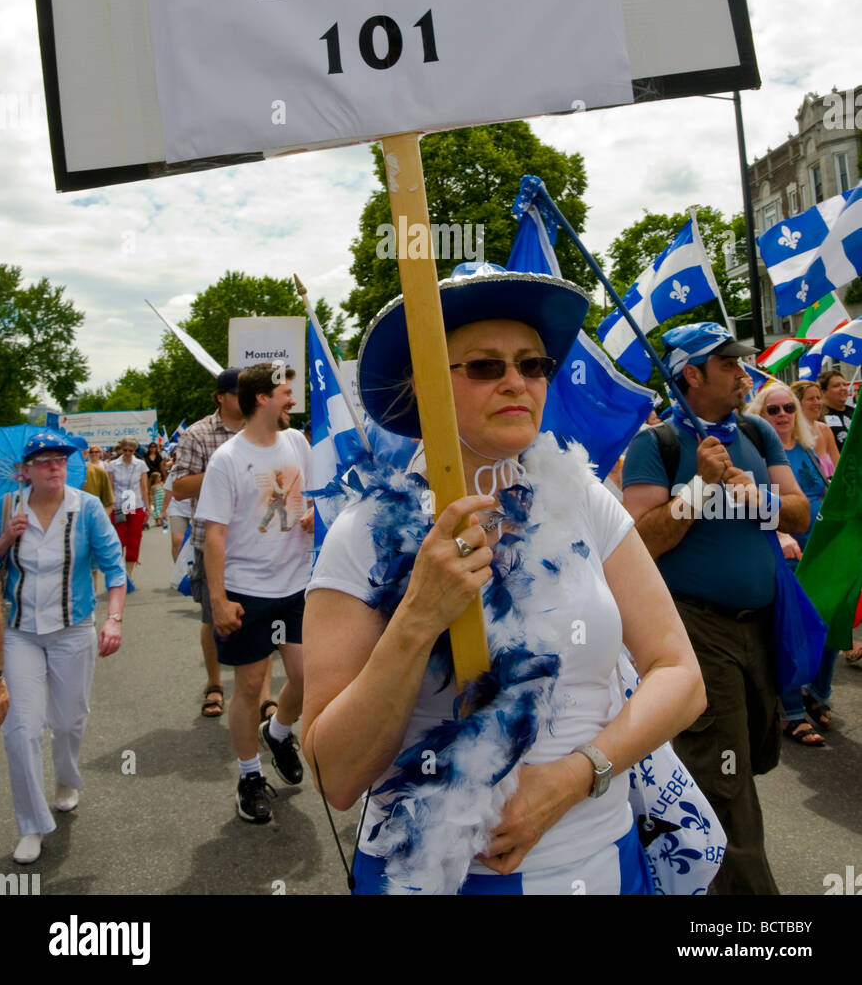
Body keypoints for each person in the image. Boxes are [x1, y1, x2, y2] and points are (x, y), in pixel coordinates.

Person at [302, 265, 705, 896]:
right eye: (486, 366)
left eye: (534, 364)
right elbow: (336, 775)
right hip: (447, 879)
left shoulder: (586, 500)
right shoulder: (362, 535)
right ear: (427, 384)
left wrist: (577, 775)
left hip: (606, 861)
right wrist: (418, 616)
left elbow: (680, 674)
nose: (517, 381)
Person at [622, 322, 809, 895]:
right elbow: (642, 540)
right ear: (691, 376)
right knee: (725, 783)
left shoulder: (754, 430)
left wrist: (763, 501)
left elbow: (801, 514)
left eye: (743, 362)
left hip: (762, 628)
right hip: (697, 629)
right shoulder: (657, 445)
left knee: (745, 764)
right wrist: (700, 488)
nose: (743, 373)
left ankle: (682, 868)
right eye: (728, 364)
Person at [0, 431, 126, 865]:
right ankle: (31, 824)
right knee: (22, 730)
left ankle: (67, 780)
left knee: (69, 722)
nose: (54, 466)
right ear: (26, 470)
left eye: (60, 460)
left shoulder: (87, 508)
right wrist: (5, 540)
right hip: (20, 634)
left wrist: (114, 618)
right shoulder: (8, 508)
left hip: (74, 629)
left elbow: (115, 569)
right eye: (44, 460)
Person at [198, 362, 313, 823]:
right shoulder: (227, 459)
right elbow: (214, 536)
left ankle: (279, 732)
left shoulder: (298, 443)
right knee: (248, 686)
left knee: (305, 678)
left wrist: (313, 515)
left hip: (297, 584)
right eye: (286, 391)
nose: (292, 399)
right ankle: (249, 776)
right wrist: (220, 600)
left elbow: (318, 495)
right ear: (263, 398)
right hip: (249, 590)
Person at [747, 382, 835, 746]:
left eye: (787, 408)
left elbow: (823, 493)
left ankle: (816, 692)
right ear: (761, 416)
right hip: (784, 553)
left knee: (829, 623)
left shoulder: (805, 447)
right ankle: (792, 712)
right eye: (773, 410)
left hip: (820, 550)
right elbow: (749, 502)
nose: (782, 415)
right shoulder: (756, 452)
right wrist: (780, 535)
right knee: (792, 630)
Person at [170, 369, 244, 718]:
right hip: (210, 541)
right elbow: (180, 487)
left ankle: (256, 696)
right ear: (220, 397)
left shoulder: (262, 429)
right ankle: (215, 685)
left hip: (257, 543)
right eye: (236, 393)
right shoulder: (198, 434)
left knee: (259, 616)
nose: (245, 398)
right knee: (214, 615)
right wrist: (224, 470)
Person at [104, 438, 149, 586]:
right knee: (118, 540)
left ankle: (128, 575)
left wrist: (147, 506)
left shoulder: (140, 464)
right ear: (121, 450)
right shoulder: (112, 465)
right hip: (118, 505)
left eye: (131, 451)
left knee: (134, 539)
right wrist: (108, 507)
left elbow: (144, 487)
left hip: (135, 505)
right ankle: (118, 572)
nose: (128, 453)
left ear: (135, 451)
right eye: (125, 450)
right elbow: (109, 487)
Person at [790, 380, 839, 477]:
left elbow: (839, 465)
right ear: (797, 403)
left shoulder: (824, 429)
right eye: (811, 399)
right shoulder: (791, 433)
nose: (817, 402)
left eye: (818, 398)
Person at [819, 370, 854, 452]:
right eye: (836, 386)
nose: (843, 388)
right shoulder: (819, 416)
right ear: (823, 391)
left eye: (844, 385)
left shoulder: (855, 413)